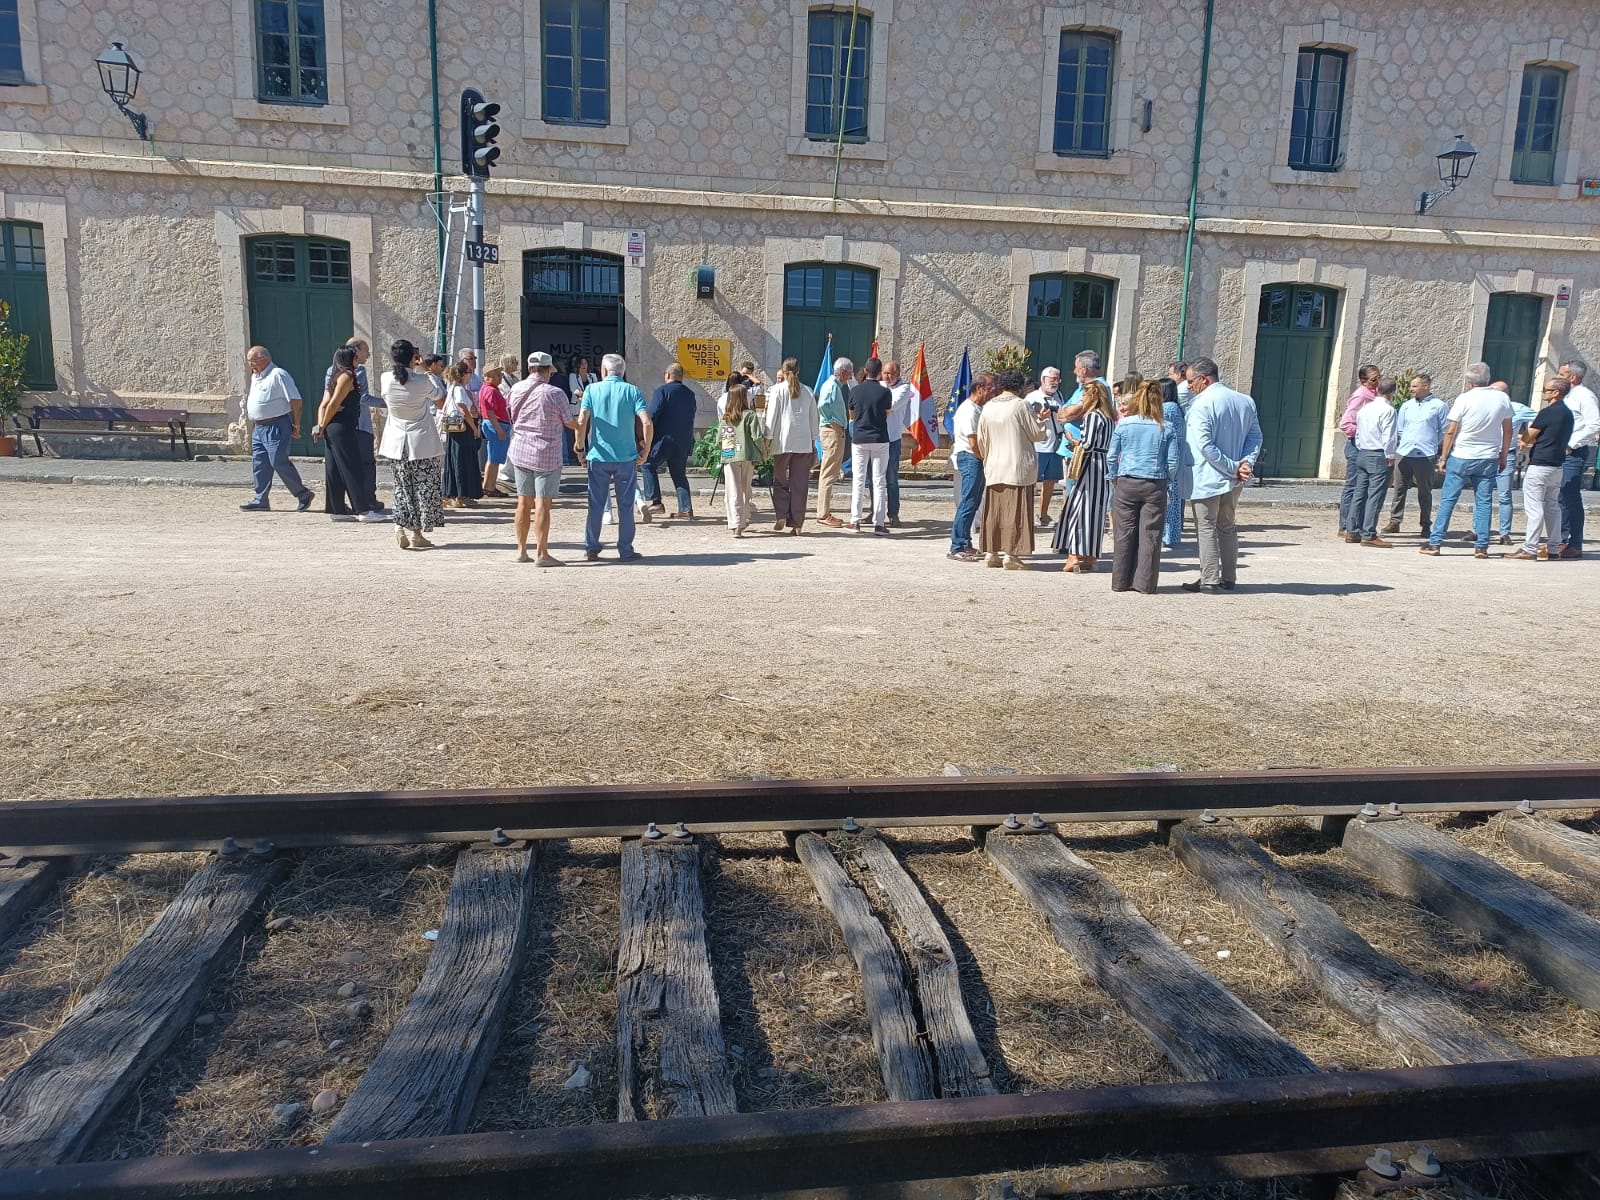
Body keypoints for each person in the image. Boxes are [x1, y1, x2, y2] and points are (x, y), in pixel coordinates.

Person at [1183, 357, 1262, 593]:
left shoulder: (1202, 404)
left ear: (1203, 379)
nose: (1188, 386)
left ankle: (1209, 578)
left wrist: (1234, 466)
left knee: (1206, 526)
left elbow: (1205, 445)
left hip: (1209, 475)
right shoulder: (1244, 400)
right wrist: (1245, 463)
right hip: (1234, 477)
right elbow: (1255, 437)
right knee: (1227, 525)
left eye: (1190, 381)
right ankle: (1228, 577)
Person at [1420, 363, 1514, 559]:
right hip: (1488, 456)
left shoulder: (1464, 398)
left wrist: (1443, 457)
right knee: (1484, 502)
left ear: (1469, 382)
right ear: (1488, 379)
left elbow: (1451, 430)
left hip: (1463, 454)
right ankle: (1481, 546)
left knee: (1448, 500)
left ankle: (1435, 542)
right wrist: (1503, 454)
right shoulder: (1502, 398)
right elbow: (1508, 430)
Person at [1107, 380, 1181, 593]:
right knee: (1150, 534)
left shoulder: (1125, 424)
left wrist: (1113, 476)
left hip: (1127, 481)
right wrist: (1169, 480)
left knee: (1124, 532)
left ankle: (1120, 581)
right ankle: (1145, 583)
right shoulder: (1166, 427)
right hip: (1154, 482)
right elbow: (1173, 461)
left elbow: (1112, 455)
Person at [578, 352, 652, 562]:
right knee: (626, 505)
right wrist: (645, 451)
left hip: (598, 455)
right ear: (623, 371)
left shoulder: (592, 389)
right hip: (626, 457)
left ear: (602, 371)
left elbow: (582, 420)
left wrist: (579, 448)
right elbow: (646, 422)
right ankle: (626, 549)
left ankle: (592, 547)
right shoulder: (632, 391)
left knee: (596, 503)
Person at [507, 351, 575, 565]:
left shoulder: (515, 389)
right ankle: (542, 553)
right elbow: (569, 421)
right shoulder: (555, 393)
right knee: (543, 504)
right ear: (548, 370)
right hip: (547, 452)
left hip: (520, 450)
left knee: (522, 503)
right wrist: (582, 424)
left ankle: (521, 550)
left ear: (529, 369)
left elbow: (511, 415)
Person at [379, 340, 446, 550]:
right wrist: (426, 370)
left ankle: (399, 527)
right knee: (423, 487)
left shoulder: (385, 379)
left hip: (396, 440)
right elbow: (440, 398)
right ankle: (417, 532)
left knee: (401, 486)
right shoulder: (423, 380)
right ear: (412, 358)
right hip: (421, 441)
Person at [975, 369, 1043, 569]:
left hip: (995, 466)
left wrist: (988, 457)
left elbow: (982, 438)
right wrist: (1042, 420)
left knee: (994, 511)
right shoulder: (1020, 405)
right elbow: (1036, 433)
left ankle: (991, 552)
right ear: (1020, 387)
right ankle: (1011, 555)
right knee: (1015, 511)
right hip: (1016, 465)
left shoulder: (988, 407)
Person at [312, 346, 384, 523]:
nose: (357, 360)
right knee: (352, 467)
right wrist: (323, 425)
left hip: (332, 426)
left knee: (335, 468)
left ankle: (337, 509)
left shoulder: (334, 376)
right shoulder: (347, 376)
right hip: (342, 426)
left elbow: (323, 404)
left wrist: (321, 425)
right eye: (354, 357)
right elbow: (333, 404)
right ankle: (364, 511)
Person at [240, 344, 315, 513]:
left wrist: (296, 425)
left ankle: (303, 494)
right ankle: (261, 499)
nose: (250, 365)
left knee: (278, 461)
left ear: (264, 359)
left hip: (276, 425)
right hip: (258, 427)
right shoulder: (256, 377)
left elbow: (296, 400)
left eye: (252, 361)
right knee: (259, 463)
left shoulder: (278, 375)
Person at [1511, 378, 1574, 561]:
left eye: (1546, 389)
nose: (1543, 392)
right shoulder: (1568, 414)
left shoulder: (1548, 412)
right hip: (1557, 465)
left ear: (1556, 393)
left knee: (1535, 507)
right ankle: (1554, 548)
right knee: (1552, 506)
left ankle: (1530, 548)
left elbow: (1530, 435)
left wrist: (1524, 440)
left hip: (1540, 464)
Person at [1054, 380, 1114, 571]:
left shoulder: (1092, 417)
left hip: (1089, 464)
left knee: (1079, 510)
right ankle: (1090, 556)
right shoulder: (1109, 417)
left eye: (1085, 396)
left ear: (1093, 397)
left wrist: (1072, 441)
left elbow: (1087, 444)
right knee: (1096, 512)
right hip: (1103, 465)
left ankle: (1075, 555)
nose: (1083, 400)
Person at [1382, 374, 1447, 536]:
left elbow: (1444, 430)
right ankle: (1395, 521)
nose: (1410, 389)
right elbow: (1400, 428)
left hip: (1426, 454)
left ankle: (1425, 524)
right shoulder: (1406, 406)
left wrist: (1433, 444)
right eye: (1411, 386)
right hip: (1404, 452)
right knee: (1399, 489)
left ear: (1426, 386)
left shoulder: (1439, 406)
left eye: (1414, 386)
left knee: (1424, 491)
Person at [764, 356, 818, 535]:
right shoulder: (808, 391)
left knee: (780, 479)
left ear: (783, 370)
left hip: (782, 441)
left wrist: (767, 437)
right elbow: (813, 419)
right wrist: (814, 440)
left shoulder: (777, 390)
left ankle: (781, 513)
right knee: (800, 484)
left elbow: (771, 417)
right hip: (803, 442)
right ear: (798, 371)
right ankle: (797, 523)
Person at [1345, 377, 1398, 547]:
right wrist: (1390, 457)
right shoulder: (1388, 410)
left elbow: (1358, 433)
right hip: (1378, 454)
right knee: (1375, 495)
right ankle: (1369, 533)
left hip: (1363, 452)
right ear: (1392, 392)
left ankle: (1352, 531)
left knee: (1359, 493)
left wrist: (1361, 447)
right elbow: (1389, 436)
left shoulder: (1365, 409)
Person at [947, 373, 993, 561]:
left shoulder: (978, 409)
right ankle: (957, 546)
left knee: (973, 502)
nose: (992, 392)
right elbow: (973, 442)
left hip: (975, 458)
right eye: (990, 389)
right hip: (970, 457)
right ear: (979, 389)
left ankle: (965, 542)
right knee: (967, 502)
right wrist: (986, 459)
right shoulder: (968, 410)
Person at [1557, 357, 1600, 558]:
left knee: (1569, 496)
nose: (1557, 377)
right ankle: (1560, 538)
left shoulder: (1585, 396)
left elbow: (1594, 424)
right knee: (1559, 496)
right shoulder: (1565, 396)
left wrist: (1571, 443)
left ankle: (1574, 542)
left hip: (1573, 453)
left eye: (1561, 374)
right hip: (1557, 452)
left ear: (1572, 377)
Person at [644, 362, 697, 519]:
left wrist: (645, 437)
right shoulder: (690, 394)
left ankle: (656, 502)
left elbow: (652, 415)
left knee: (648, 465)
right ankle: (686, 509)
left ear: (667, 375)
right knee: (679, 474)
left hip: (664, 440)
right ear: (682, 377)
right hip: (684, 440)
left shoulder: (662, 391)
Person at [847, 357, 894, 534]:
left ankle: (855, 521)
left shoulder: (855, 391)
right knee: (879, 481)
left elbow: (852, 413)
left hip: (860, 438)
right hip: (880, 438)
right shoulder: (885, 392)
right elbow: (887, 412)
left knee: (858, 480)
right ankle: (879, 523)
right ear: (880, 372)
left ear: (865, 371)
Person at [1336, 364, 1382, 539]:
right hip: (1357, 444)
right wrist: (1365, 432)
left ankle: (1355, 524)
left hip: (1365, 444)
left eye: (1378, 377)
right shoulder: (1361, 396)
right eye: (1373, 379)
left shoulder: (1374, 395)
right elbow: (1346, 423)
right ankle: (1345, 525)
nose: (1377, 381)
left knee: (1362, 486)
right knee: (1353, 485)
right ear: (1363, 381)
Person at [719, 383, 767, 537]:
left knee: (732, 490)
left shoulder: (726, 418)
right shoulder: (750, 415)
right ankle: (744, 518)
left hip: (730, 455)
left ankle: (735, 524)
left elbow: (721, 439)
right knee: (745, 488)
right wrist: (763, 452)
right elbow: (757, 437)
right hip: (747, 455)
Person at [1492, 381, 1536, 546]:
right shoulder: (1486, 406)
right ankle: (1477, 530)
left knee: (1504, 495)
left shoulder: (1518, 408)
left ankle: (1504, 532)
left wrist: (1525, 437)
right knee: (1482, 494)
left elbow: (1540, 420)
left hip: (1508, 454)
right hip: (1487, 455)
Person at [1025, 367, 1066, 528]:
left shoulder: (1059, 396)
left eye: (1057, 379)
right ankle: (1027, 513)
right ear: (1043, 380)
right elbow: (1026, 421)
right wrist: (1040, 418)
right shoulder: (1032, 398)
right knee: (1031, 481)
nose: (1055, 383)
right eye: (1052, 379)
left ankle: (1043, 513)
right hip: (1038, 445)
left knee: (1051, 481)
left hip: (1056, 445)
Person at [878, 359, 916, 527]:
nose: (887, 377)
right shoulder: (878, 385)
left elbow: (891, 405)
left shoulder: (904, 388)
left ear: (898, 374)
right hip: (877, 438)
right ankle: (875, 511)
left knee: (891, 478)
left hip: (892, 439)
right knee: (875, 479)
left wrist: (875, 407)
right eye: (885, 373)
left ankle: (893, 513)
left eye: (890, 374)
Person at [440, 361, 483, 508]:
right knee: (462, 461)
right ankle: (459, 495)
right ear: (463, 374)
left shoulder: (452, 388)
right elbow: (463, 410)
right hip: (463, 430)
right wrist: (474, 427)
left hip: (455, 429)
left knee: (458, 461)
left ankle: (461, 494)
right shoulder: (459, 389)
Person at [816, 357, 852, 527]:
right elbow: (822, 405)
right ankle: (823, 514)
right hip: (832, 432)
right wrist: (832, 422)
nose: (851, 377)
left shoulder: (834, 386)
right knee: (828, 473)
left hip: (834, 432)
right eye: (850, 373)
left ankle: (824, 512)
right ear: (843, 372)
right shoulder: (831, 386)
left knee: (829, 472)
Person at [1157, 378, 1191, 550]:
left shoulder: (1166, 408)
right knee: (1174, 499)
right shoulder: (1177, 408)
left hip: (1168, 458)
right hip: (1177, 457)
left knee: (1168, 499)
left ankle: (1167, 534)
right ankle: (1172, 534)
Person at [477, 365, 511, 497]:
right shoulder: (490, 390)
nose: (500, 377)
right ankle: (489, 487)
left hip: (494, 423)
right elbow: (490, 413)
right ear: (489, 376)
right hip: (496, 424)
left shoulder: (488, 389)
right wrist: (500, 430)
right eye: (498, 375)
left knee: (493, 458)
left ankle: (489, 485)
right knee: (494, 459)